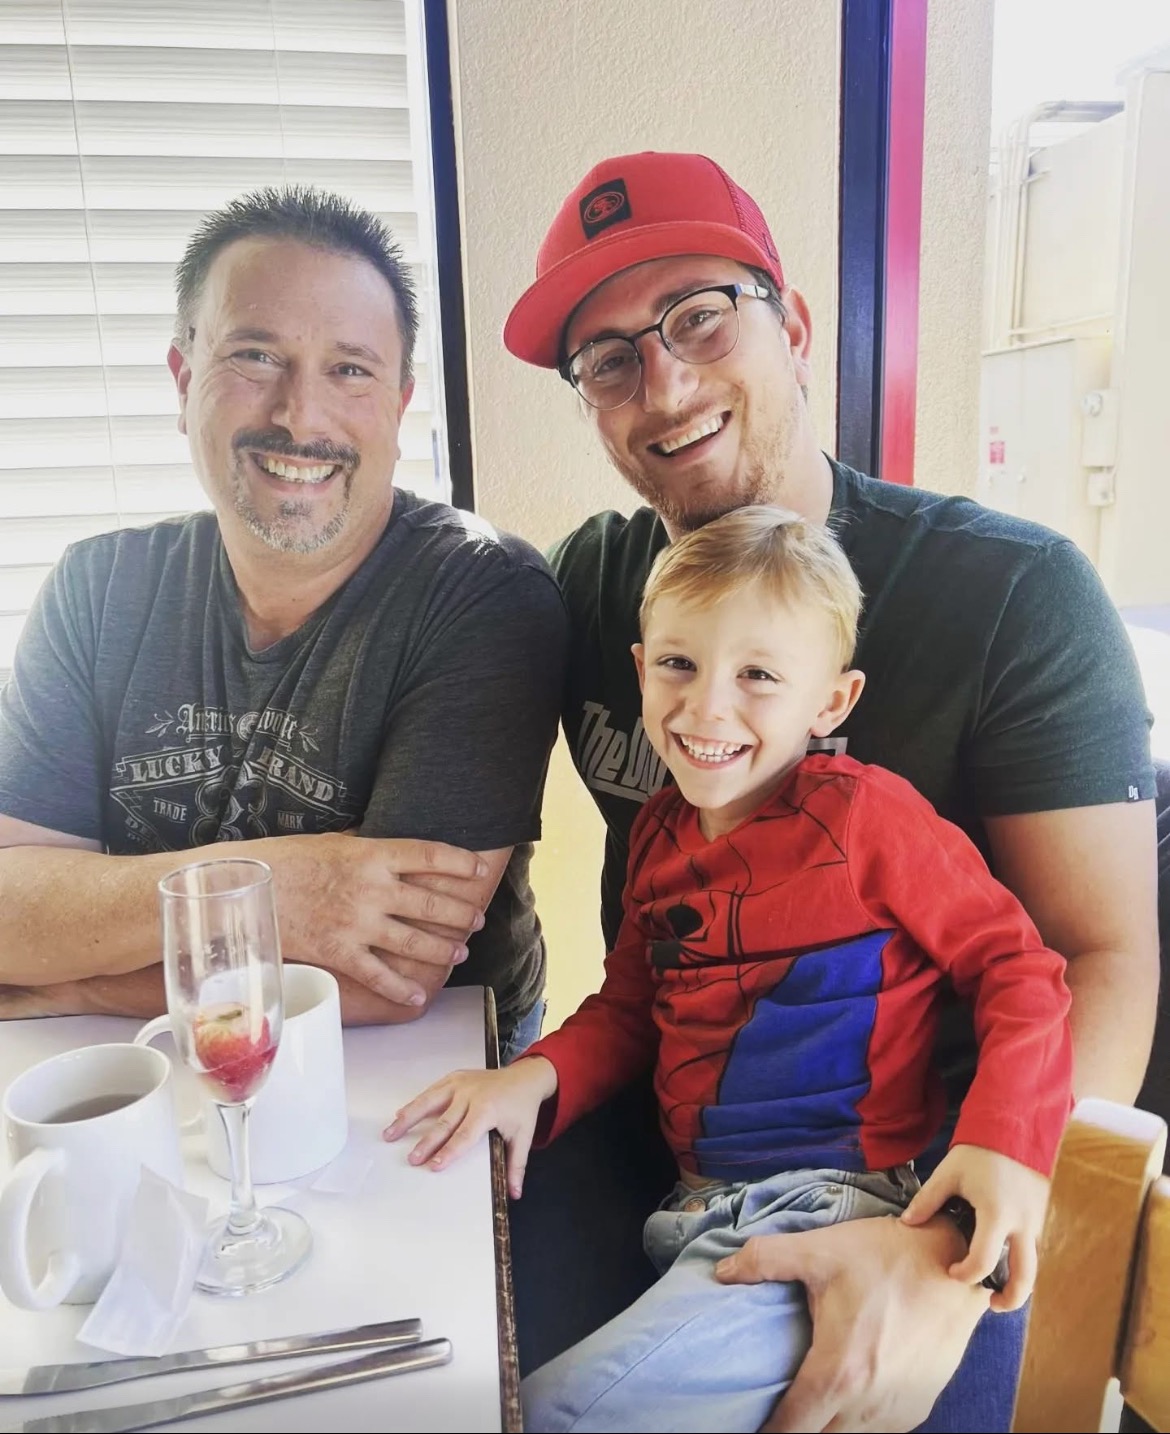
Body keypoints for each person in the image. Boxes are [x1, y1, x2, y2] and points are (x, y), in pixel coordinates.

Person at [500, 151, 1159, 1432]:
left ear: (795, 326)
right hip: (670, 1132)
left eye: (700, 316)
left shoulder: (1013, 596)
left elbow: (1101, 957)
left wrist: (949, 1253)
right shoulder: (587, 586)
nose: (664, 384)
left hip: (918, 1174)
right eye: (609, 359)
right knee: (453, 1348)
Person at [387, 506, 1074, 1432]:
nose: (708, 707)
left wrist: (1004, 1146)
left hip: (827, 1211)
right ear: (640, 669)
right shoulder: (658, 834)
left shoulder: (867, 818)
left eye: (758, 675)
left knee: (548, 1414)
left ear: (831, 702)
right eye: (680, 664)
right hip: (692, 1214)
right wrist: (530, 1077)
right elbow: (629, 1007)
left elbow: (1018, 968)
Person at [0, 187, 567, 1060]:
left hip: (419, 1069)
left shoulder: (483, 593)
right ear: (184, 381)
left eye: (351, 369)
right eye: (256, 357)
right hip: (130, 1057)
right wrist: (286, 886)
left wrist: (78, 980)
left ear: (400, 404)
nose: (301, 415)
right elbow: (11, 912)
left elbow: (391, 974)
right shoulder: (95, 589)